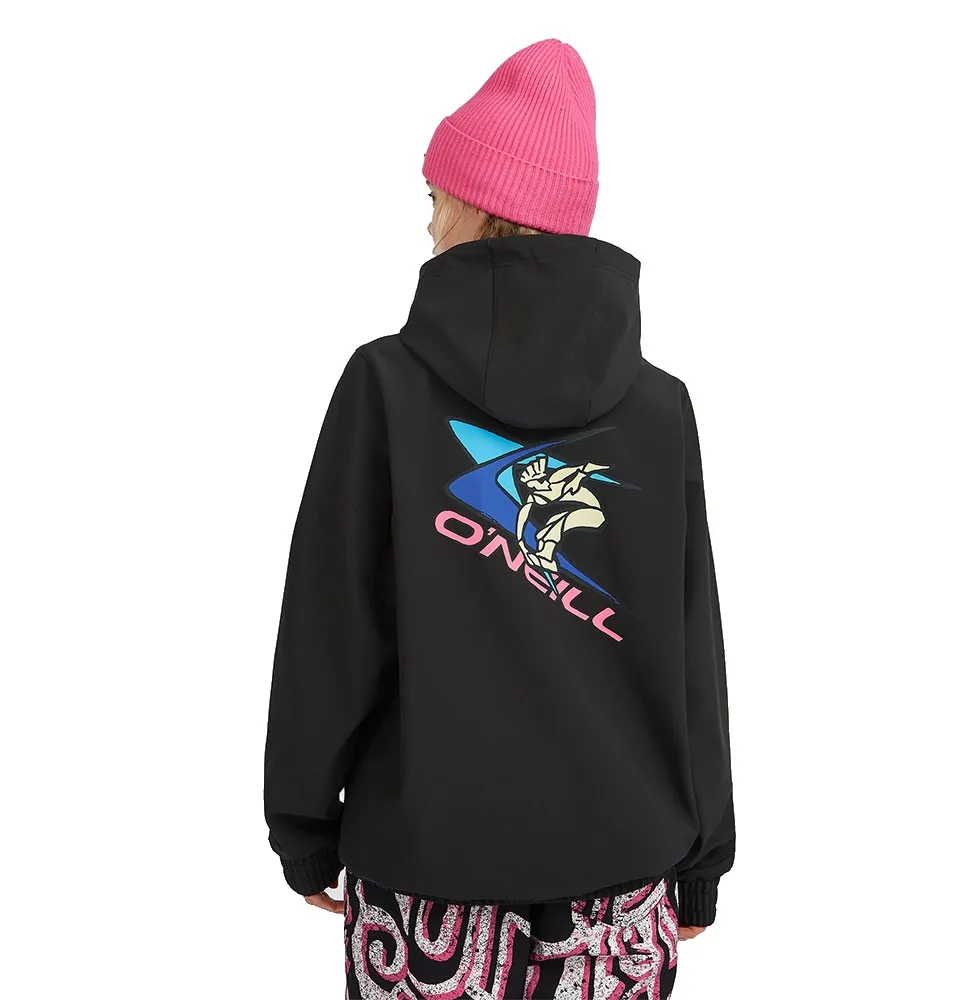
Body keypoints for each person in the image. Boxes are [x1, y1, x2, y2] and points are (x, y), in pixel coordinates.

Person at [264, 39, 734, 999]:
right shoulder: (659, 410)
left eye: (434, 196)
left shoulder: (385, 388)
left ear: (479, 206)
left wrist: (303, 825)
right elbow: (690, 648)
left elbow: (330, 632)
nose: (426, 219)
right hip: (621, 899)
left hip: (427, 900)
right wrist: (704, 855)